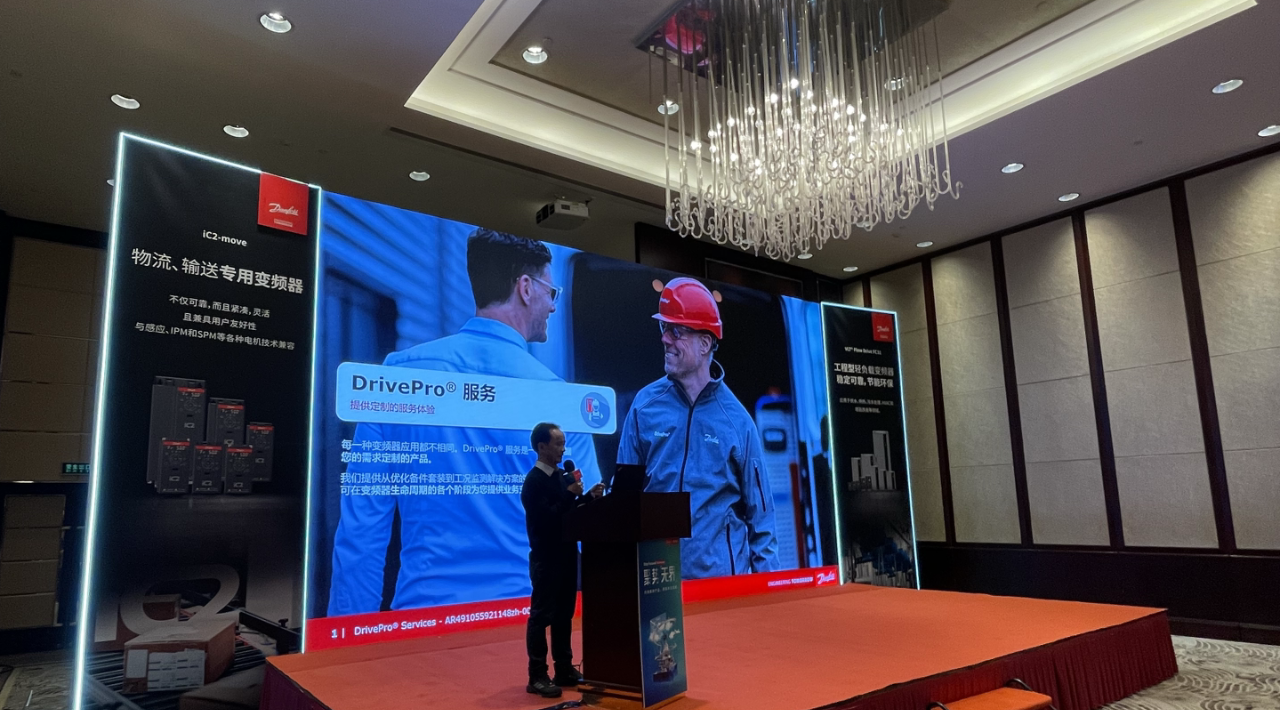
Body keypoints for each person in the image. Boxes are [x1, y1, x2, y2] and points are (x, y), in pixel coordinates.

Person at [328, 229, 601, 615]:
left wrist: (348, 638)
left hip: (423, 620)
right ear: (525, 288)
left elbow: (361, 533)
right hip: (524, 619)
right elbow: (592, 533)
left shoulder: (398, 376)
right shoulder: (560, 401)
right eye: (550, 292)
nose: (553, 306)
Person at [618, 277, 779, 579]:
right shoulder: (644, 407)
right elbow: (624, 502)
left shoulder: (737, 421)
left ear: (705, 343)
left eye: (676, 331)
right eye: (664, 328)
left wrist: (768, 594)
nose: (665, 339)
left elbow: (762, 522)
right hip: (658, 583)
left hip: (720, 588)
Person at [521, 422, 603, 697]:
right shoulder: (534, 481)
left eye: (563, 443)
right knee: (541, 616)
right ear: (542, 446)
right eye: (558, 444)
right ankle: (537, 675)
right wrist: (570, 496)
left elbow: (570, 512)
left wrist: (588, 498)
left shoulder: (563, 477)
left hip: (568, 554)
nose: (563, 449)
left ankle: (564, 668)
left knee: (564, 614)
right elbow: (547, 519)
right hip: (546, 557)